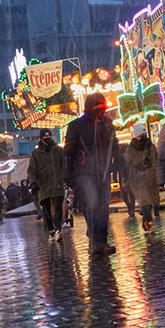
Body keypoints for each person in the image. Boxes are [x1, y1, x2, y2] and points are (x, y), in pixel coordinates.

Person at [64, 93, 118, 255]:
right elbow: (68, 152)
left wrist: (119, 165)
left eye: (103, 108)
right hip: (84, 172)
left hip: (102, 171)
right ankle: (96, 241)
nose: (101, 112)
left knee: (103, 206)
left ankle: (101, 240)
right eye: (98, 108)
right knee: (93, 203)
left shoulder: (107, 125)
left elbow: (114, 147)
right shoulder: (76, 126)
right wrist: (68, 175)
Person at [28, 129, 67, 241]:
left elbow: (64, 165)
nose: (47, 140)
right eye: (45, 138)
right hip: (43, 185)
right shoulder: (35, 154)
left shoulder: (58, 150)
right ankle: (51, 230)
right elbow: (31, 170)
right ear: (41, 139)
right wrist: (33, 183)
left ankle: (58, 228)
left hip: (57, 183)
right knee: (46, 208)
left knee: (58, 207)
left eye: (49, 138)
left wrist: (65, 177)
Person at [124, 124, 160, 232]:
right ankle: (148, 223)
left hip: (137, 177)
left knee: (145, 201)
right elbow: (155, 160)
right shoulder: (150, 146)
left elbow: (126, 163)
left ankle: (148, 222)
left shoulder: (130, 148)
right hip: (149, 176)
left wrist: (125, 179)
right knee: (148, 201)